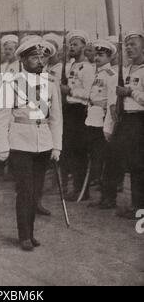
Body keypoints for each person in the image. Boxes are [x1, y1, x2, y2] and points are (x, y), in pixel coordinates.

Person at [0, 37, 62, 251]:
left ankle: (30, 233)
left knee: (35, 191)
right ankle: (24, 235)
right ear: (22, 60)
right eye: (34, 57)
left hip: (44, 144)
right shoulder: (11, 84)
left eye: (42, 57)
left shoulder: (51, 83)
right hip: (20, 143)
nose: (39, 61)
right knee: (25, 191)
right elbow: (1, 117)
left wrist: (57, 146)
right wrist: (2, 148)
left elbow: (56, 117)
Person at [106, 31, 144, 218]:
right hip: (125, 120)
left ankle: (139, 208)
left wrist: (130, 92)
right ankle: (112, 198)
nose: (129, 48)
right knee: (119, 158)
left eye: (133, 44)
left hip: (139, 120)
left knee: (138, 165)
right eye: (127, 45)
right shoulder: (127, 70)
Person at [60, 30, 95, 201]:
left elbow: (89, 93)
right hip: (68, 111)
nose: (72, 47)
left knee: (79, 151)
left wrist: (70, 90)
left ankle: (82, 189)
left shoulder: (87, 68)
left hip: (79, 112)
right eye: (70, 44)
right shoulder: (70, 66)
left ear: (83, 46)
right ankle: (73, 186)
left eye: (75, 44)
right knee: (70, 150)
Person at [85, 39, 117, 208]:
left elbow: (111, 102)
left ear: (110, 57)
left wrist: (109, 126)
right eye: (96, 54)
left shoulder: (111, 76)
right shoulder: (97, 74)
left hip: (103, 122)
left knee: (106, 161)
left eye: (101, 55)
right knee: (97, 159)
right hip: (92, 119)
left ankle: (109, 197)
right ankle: (103, 197)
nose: (97, 58)